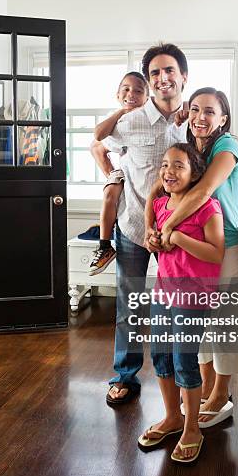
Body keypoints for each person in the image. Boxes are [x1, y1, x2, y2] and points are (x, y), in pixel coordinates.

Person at [91, 43, 189, 405]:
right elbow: (97, 141)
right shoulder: (129, 121)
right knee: (129, 306)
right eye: (155, 73)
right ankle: (126, 376)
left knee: (175, 307)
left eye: (169, 71)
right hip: (133, 227)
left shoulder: (191, 122)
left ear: (183, 76)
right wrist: (112, 177)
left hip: (175, 233)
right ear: (150, 81)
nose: (163, 78)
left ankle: (179, 379)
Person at [145, 87, 238, 427]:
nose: (200, 117)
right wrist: (153, 228)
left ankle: (221, 393)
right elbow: (158, 190)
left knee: (224, 322)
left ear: (223, 118)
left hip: (227, 244)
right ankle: (203, 386)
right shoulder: (192, 149)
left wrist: (167, 228)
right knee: (196, 321)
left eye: (209, 111)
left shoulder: (227, 145)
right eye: (195, 110)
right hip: (189, 250)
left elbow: (204, 191)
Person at [138, 143, 224, 462]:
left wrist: (178, 238)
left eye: (178, 165)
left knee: (184, 359)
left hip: (192, 295)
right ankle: (172, 417)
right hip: (163, 290)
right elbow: (159, 248)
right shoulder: (161, 204)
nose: (169, 171)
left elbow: (216, 253)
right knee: (160, 355)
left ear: (194, 173)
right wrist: (154, 240)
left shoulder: (207, 206)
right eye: (164, 165)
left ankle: (192, 429)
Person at [89, 72, 149, 275]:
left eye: (138, 90)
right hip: (122, 171)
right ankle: (105, 246)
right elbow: (96, 142)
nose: (131, 93)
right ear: (117, 94)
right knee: (110, 193)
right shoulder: (117, 120)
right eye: (126, 89)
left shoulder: (151, 120)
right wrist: (112, 175)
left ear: (147, 98)